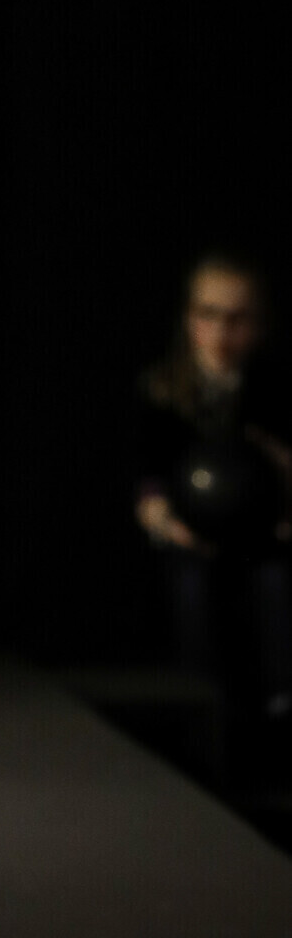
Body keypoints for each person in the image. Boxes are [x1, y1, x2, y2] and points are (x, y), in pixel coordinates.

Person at [131, 253, 292, 731]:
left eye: (238, 319)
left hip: (263, 535)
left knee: (275, 583)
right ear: (189, 319)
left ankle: (280, 706)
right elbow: (147, 479)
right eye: (209, 315)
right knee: (192, 585)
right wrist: (165, 520)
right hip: (188, 533)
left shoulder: (274, 391)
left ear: (258, 326)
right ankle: (200, 709)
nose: (222, 331)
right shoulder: (161, 390)